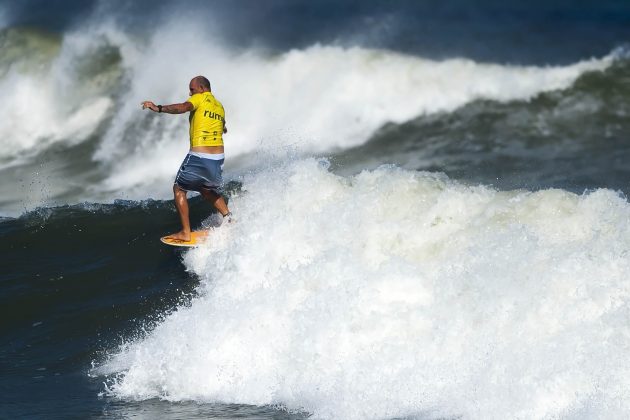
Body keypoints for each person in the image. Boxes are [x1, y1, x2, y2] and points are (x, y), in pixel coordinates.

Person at [141, 76, 232, 242]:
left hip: (200, 155)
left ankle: (185, 232)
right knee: (206, 190)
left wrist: (158, 108)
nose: (190, 93)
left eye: (192, 89)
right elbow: (223, 125)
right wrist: (221, 128)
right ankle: (229, 219)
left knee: (179, 189)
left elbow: (183, 107)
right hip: (218, 157)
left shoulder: (198, 98)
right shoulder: (219, 106)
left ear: (202, 88)